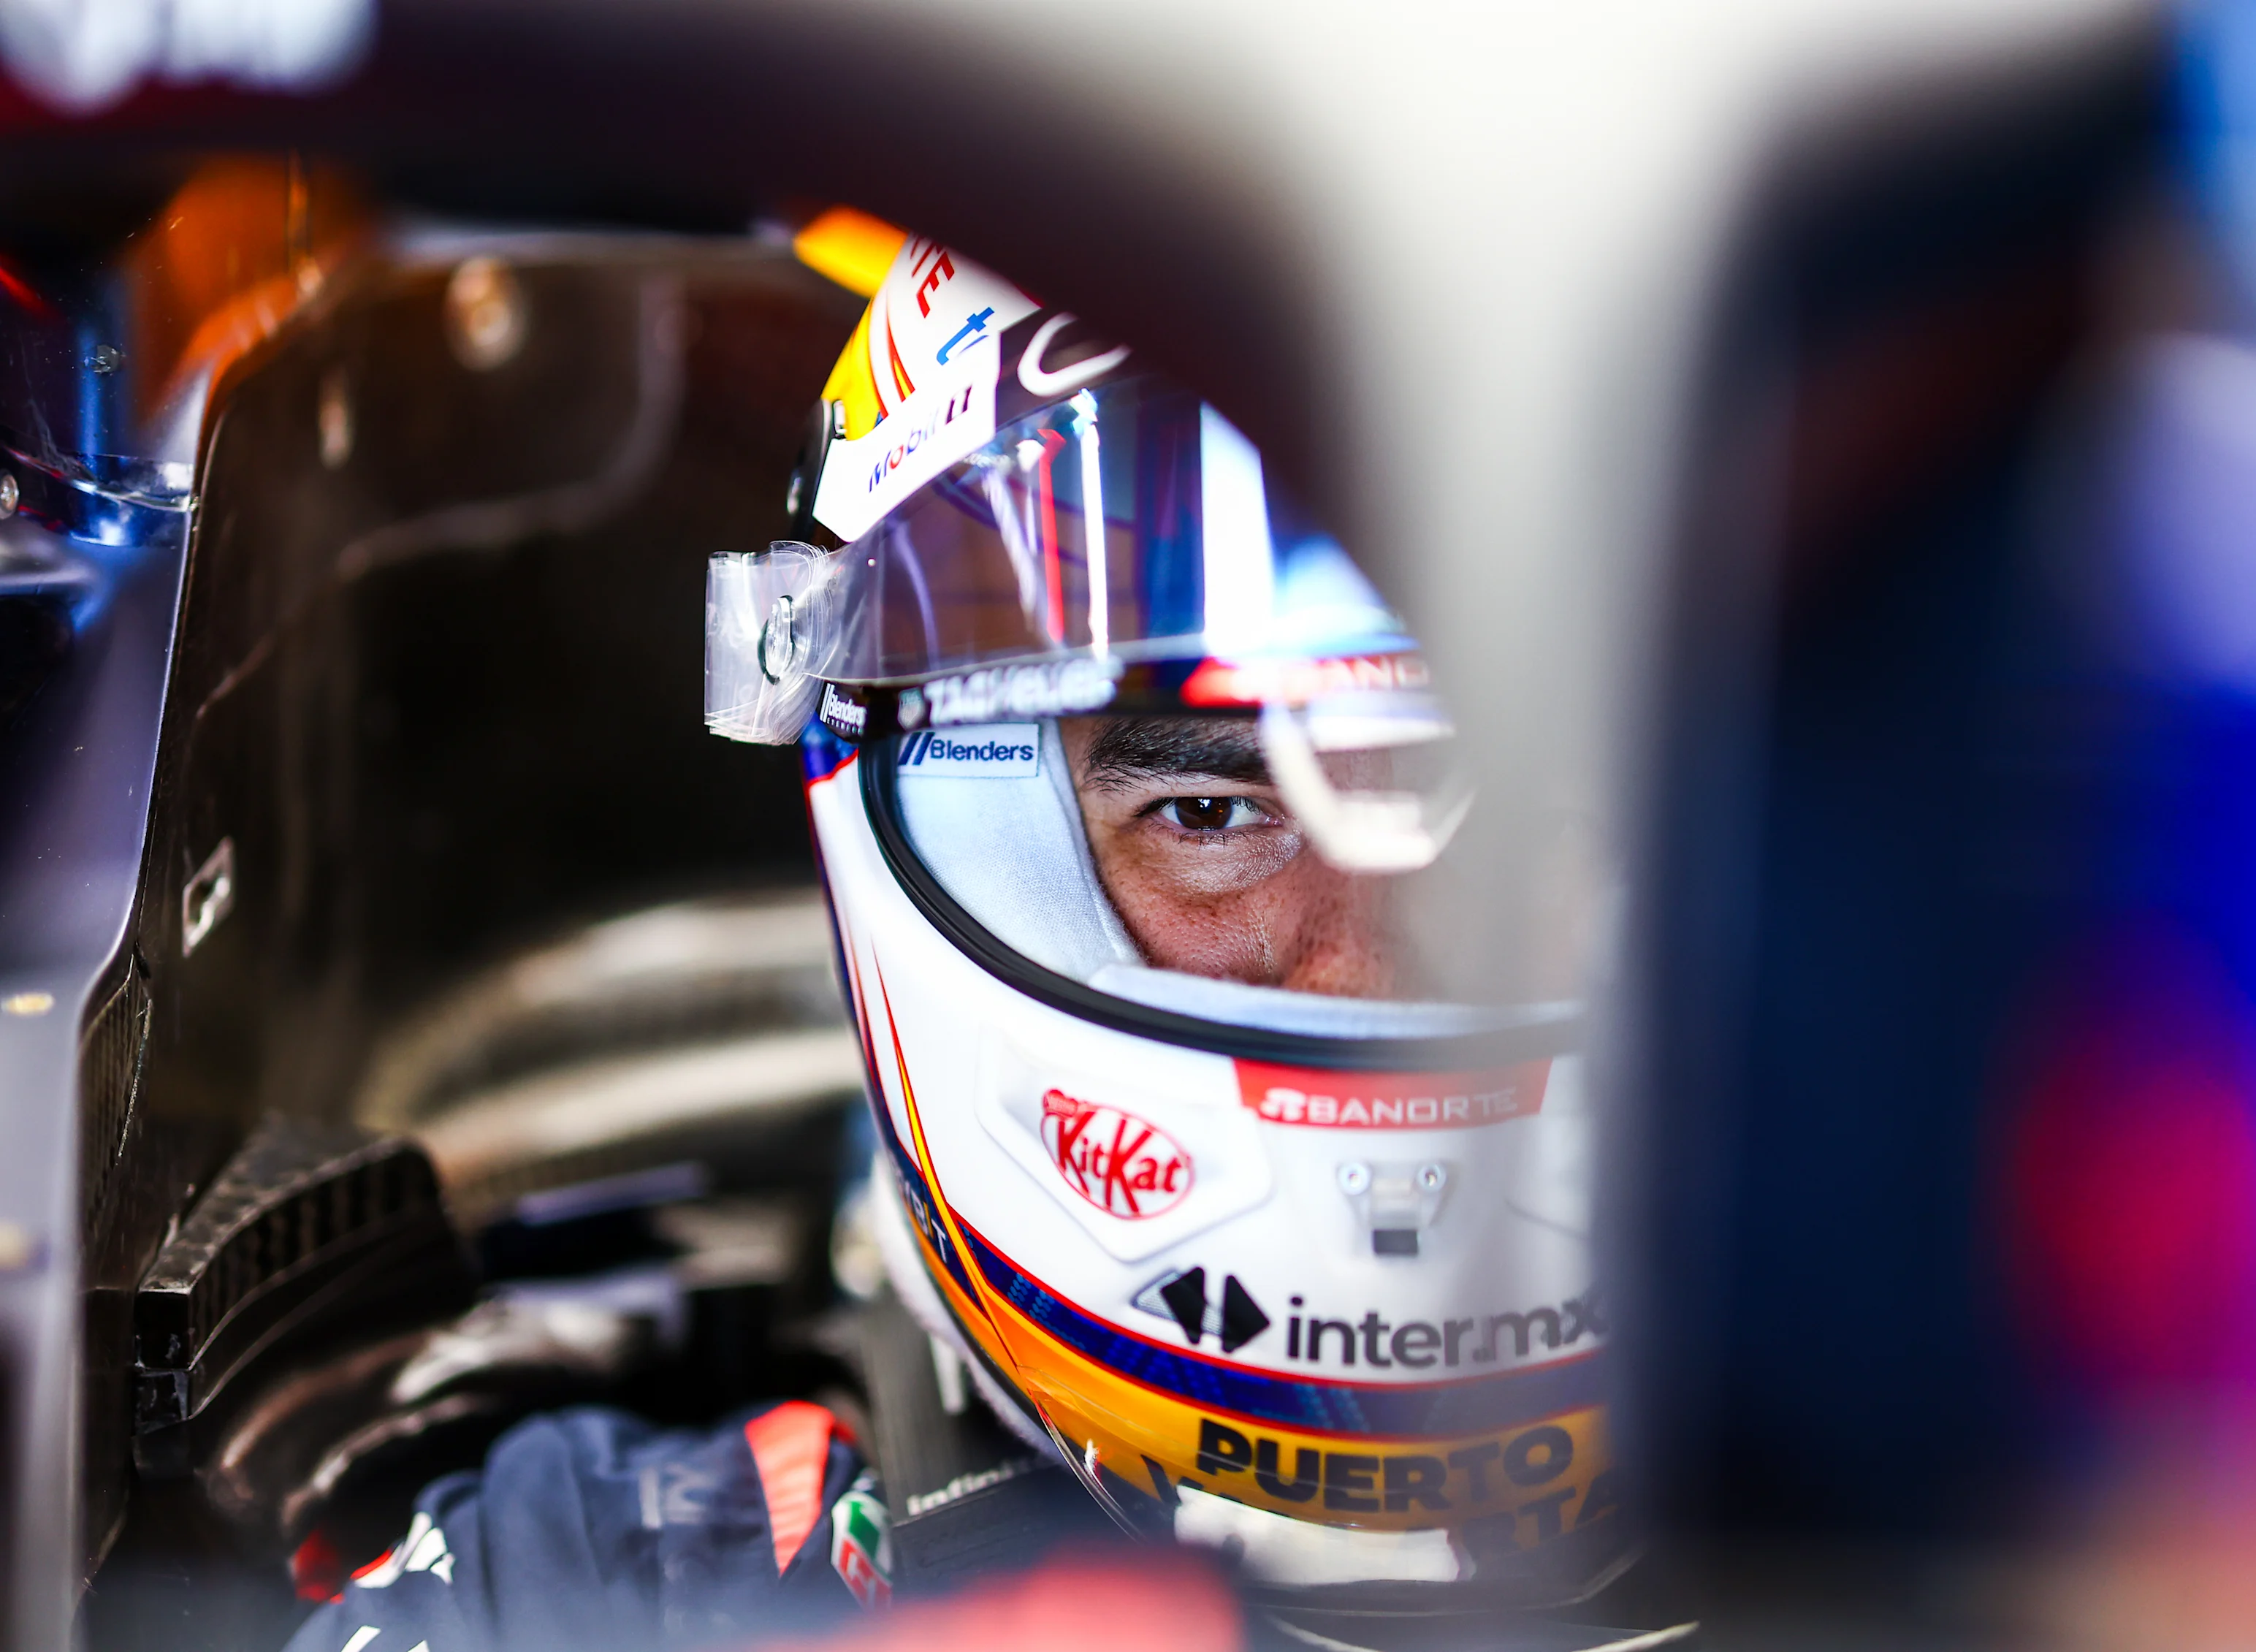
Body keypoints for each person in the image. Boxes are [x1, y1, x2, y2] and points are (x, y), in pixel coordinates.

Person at [285, 215, 1609, 1651]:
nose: (1366, 973)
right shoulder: (613, 1589)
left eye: (1538, 815)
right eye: (1210, 815)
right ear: (996, 832)